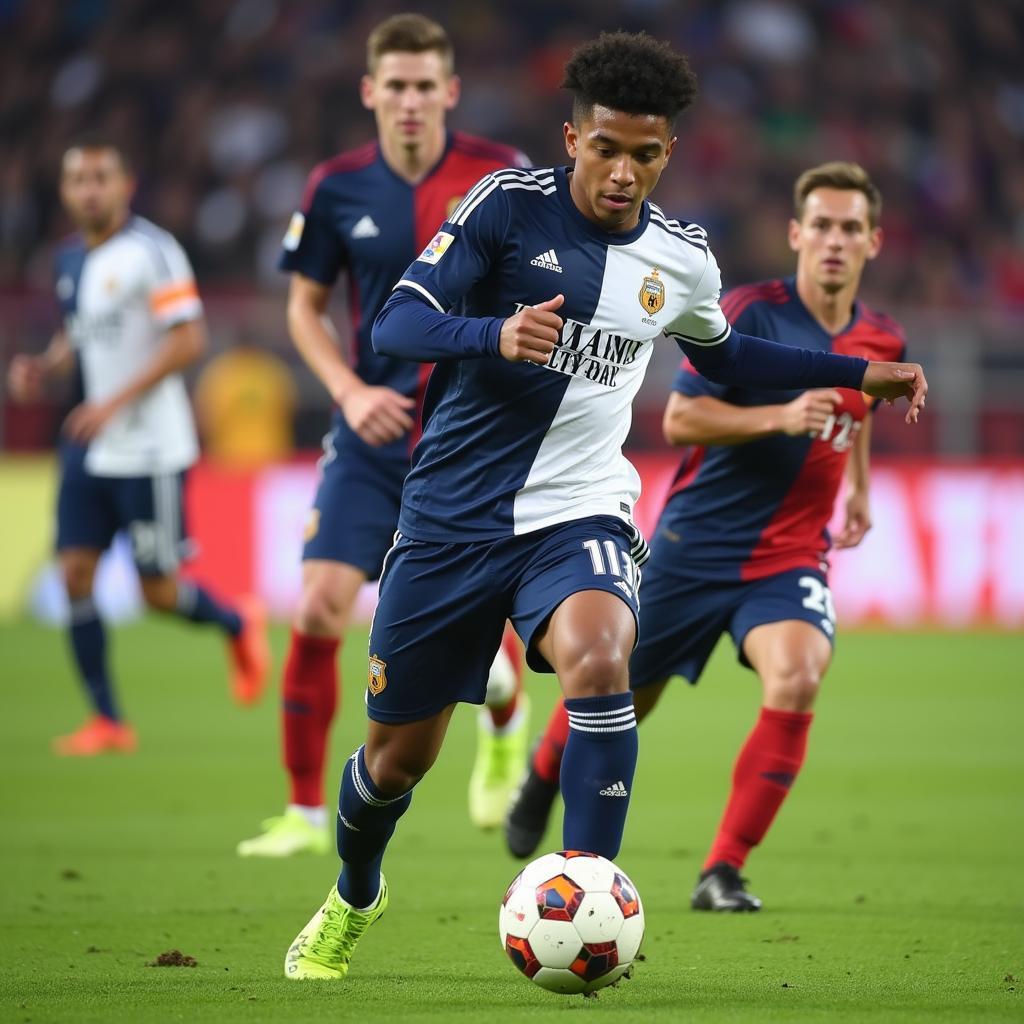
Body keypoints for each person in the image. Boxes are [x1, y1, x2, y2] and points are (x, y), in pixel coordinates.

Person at [283, 33, 926, 980]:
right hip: (450, 521)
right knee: (394, 765)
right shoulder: (506, 207)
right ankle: (355, 890)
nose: (625, 172)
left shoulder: (682, 257)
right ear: (572, 138)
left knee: (599, 658)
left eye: (647, 153)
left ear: (668, 153)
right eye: (607, 149)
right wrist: (494, 334)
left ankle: (589, 901)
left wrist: (860, 373)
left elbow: (729, 360)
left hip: (577, 512)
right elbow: (398, 320)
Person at [504, 161, 905, 912]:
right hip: (696, 546)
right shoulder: (749, 312)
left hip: (790, 554)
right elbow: (681, 419)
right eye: (820, 225)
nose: (834, 241)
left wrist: (858, 484)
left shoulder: (881, 334)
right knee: (620, 694)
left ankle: (722, 869)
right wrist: (782, 416)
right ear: (795, 233)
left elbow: (857, 412)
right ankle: (542, 770)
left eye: (851, 228)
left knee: (799, 675)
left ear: (873, 242)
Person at [237, 14, 530, 859]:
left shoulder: (499, 178)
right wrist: (349, 387)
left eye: (423, 85)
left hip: (466, 437)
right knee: (321, 602)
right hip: (370, 434)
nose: (409, 101)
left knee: (480, 625)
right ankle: (298, 813)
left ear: (450, 92)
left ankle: (506, 719)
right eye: (394, 86)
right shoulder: (335, 188)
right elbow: (303, 307)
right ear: (371, 92)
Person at [6, 140, 269, 756]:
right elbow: (82, 336)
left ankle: (236, 623)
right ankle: (107, 720)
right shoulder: (68, 259)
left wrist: (112, 402)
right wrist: (45, 368)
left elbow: (188, 341)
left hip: (150, 446)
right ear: (65, 190)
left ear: (126, 185)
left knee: (156, 590)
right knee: (75, 573)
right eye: (76, 179)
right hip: (91, 444)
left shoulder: (153, 252)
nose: (88, 189)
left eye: (100, 177)